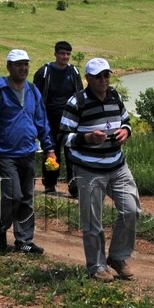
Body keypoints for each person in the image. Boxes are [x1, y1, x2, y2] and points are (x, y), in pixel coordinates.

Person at [60, 58, 139, 282]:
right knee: (93, 220)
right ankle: (96, 266)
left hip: (117, 164)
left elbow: (126, 120)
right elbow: (64, 136)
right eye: (98, 76)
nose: (104, 80)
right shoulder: (77, 102)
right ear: (88, 79)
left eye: (106, 75)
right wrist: (87, 138)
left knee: (131, 210)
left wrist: (126, 131)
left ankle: (117, 257)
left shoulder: (114, 96)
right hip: (89, 169)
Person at [0, 49, 55, 254]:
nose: (23, 68)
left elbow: (41, 120)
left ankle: (24, 241)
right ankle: (0, 225)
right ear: (9, 67)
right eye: (18, 64)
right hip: (5, 155)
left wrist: (49, 148)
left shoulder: (32, 90)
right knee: (13, 195)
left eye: (26, 64)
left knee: (27, 197)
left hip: (28, 152)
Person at [32, 41, 82, 196]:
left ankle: (74, 187)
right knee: (51, 151)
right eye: (62, 53)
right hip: (49, 120)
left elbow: (80, 94)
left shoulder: (73, 72)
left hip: (70, 121)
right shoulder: (45, 72)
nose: (65, 57)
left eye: (68, 54)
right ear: (55, 54)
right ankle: (50, 184)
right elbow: (35, 96)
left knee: (72, 153)